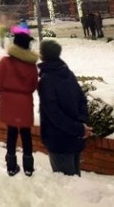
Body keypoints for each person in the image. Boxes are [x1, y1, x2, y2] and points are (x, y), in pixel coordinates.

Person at [38, 39, 92, 176]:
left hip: (59, 141)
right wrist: (82, 124)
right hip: (75, 138)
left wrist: (80, 127)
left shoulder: (46, 80)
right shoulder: (67, 73)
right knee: (74, 181)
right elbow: (82, 100)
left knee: (66, 185)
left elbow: (54, 114)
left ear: (43, 55)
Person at [0, 27, 39, 176]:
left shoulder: (5, 62)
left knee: (11, 133)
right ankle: (29, 167)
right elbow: (33, 85)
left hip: (9, 101)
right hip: (24, 102)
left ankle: (11, 166)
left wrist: (0, 95)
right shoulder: (32, 65)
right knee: (26, 134)